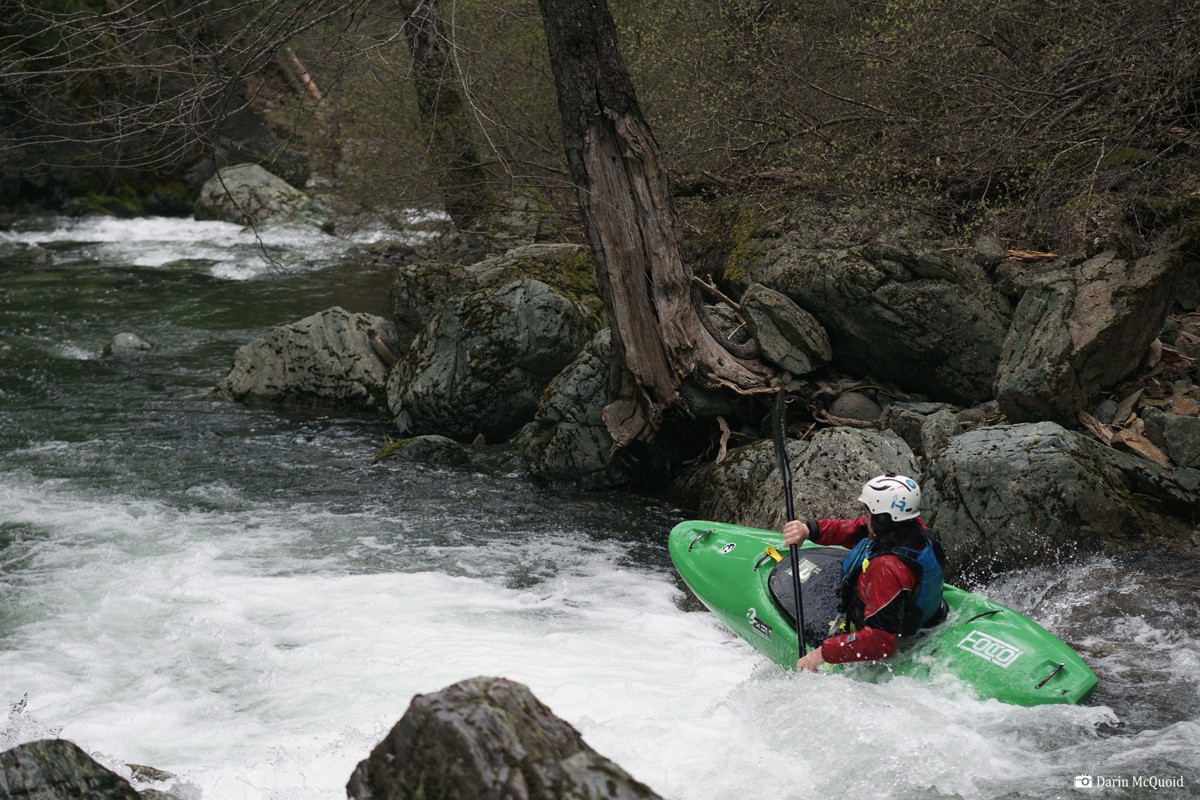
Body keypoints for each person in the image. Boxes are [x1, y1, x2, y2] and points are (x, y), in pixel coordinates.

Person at [781, 474, 945, 673]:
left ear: (883, 520)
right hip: (926, 618)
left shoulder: (886, 568)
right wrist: (810, 530)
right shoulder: (911, 526)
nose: (865, 518)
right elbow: (856, 529)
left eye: (868, 514)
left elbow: (881, 641)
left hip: (899, 636)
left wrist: (822, 653)